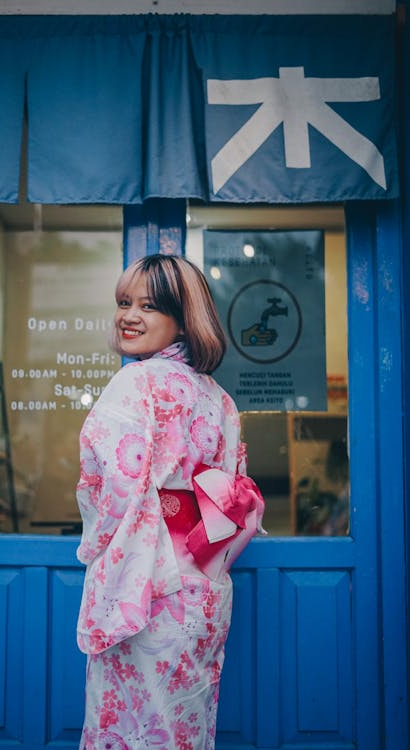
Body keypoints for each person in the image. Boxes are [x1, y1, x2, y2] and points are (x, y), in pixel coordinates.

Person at [75, 253, 265, 750]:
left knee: (133, 728)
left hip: (150, 584)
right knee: (185, 726)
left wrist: (97, 542)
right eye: (123, 302)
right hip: (205, 584)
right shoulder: (219, 398)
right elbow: (234, 492)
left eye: (149, 306)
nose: (129, 316)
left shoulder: (135, 383)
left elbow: (115, 488)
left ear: (184, 319)